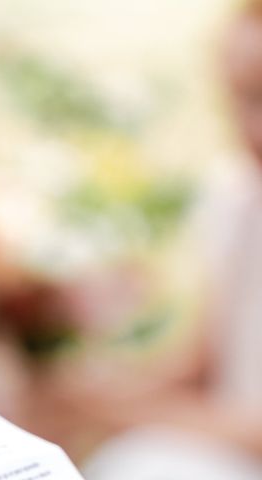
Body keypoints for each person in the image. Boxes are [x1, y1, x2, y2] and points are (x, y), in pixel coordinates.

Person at [78, 2, 262, 478]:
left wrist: (113, 413)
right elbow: (202, 362)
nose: (253, 127)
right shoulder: (234, 197)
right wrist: (89, 389)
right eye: (240, 97)